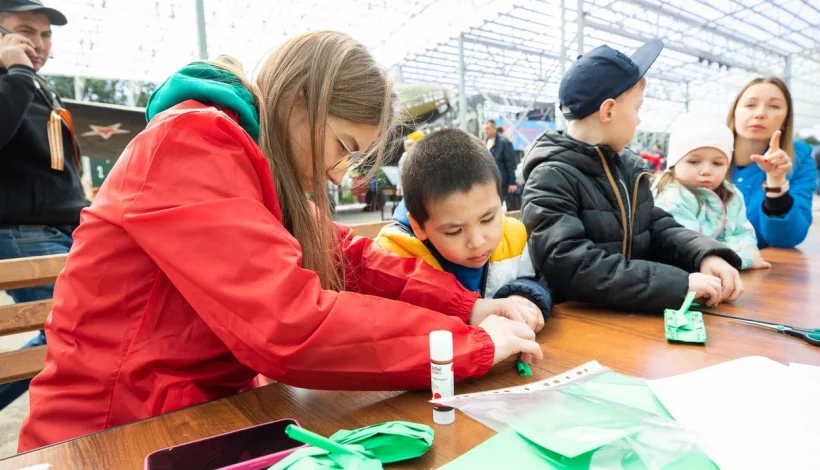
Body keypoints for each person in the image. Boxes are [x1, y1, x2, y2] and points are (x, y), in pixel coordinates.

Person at [18, 32, 544, 451]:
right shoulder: (192, 144)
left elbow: (350, 259)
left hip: (200, 416)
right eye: (342, 146)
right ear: (299, 102)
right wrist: (465, 348)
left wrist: (468, 307)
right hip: (112, 434)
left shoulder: (258, 169)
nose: (339, 176)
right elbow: (288, 323)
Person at [521, 39, 744, 313]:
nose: (639, 120)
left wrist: (704, 254)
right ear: (609, 111)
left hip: (632, 311)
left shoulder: (627, 167)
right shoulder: (551, 176)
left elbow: (655, 225)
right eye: (637, 109)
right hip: (579, 322)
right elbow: (572, 266)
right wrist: (678, 284)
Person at [0, 0, 86, 410]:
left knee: (77, 324)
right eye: (24, 31)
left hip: (63, 229)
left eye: (46, 34)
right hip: (22, 232)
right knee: (81, 320)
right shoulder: (15, 82)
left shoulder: (36, 85)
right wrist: (15, 71)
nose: (39, 43)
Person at [375, 128, 553, 322]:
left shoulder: (513, 235)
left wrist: (524, 296)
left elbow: (534, 278)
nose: (477, 242)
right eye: (454, 231)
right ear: (418, 227)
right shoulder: (393, 257)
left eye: (488, 219)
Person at [652, 115, 769, 270]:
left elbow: (745, 235)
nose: (706, 171)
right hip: (686, 284)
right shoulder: (672, 198)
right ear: (674, 162)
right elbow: (688, 248)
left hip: (721, 276)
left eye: (717, 163)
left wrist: (732, 256)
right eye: (694, 162)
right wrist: (741, 258)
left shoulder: (732, 195)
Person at [728, 76, 818, 248]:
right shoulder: (703, 150)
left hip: (755, 268)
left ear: (785, 120)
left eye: (774, 106)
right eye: (750, 105)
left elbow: (788, 238)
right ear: (734, 113)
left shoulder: (799, 158)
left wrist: (776, 184)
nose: (760, 113)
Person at [484, 120, 518, 209]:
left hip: (504, 183)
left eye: (488, 128)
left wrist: (512, 182)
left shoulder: (504, 143)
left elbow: (510, 163)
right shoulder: (485, 143)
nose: (485, 131)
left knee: (505, 208)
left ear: (494, 128)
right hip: (490, 183)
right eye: (485, 129)